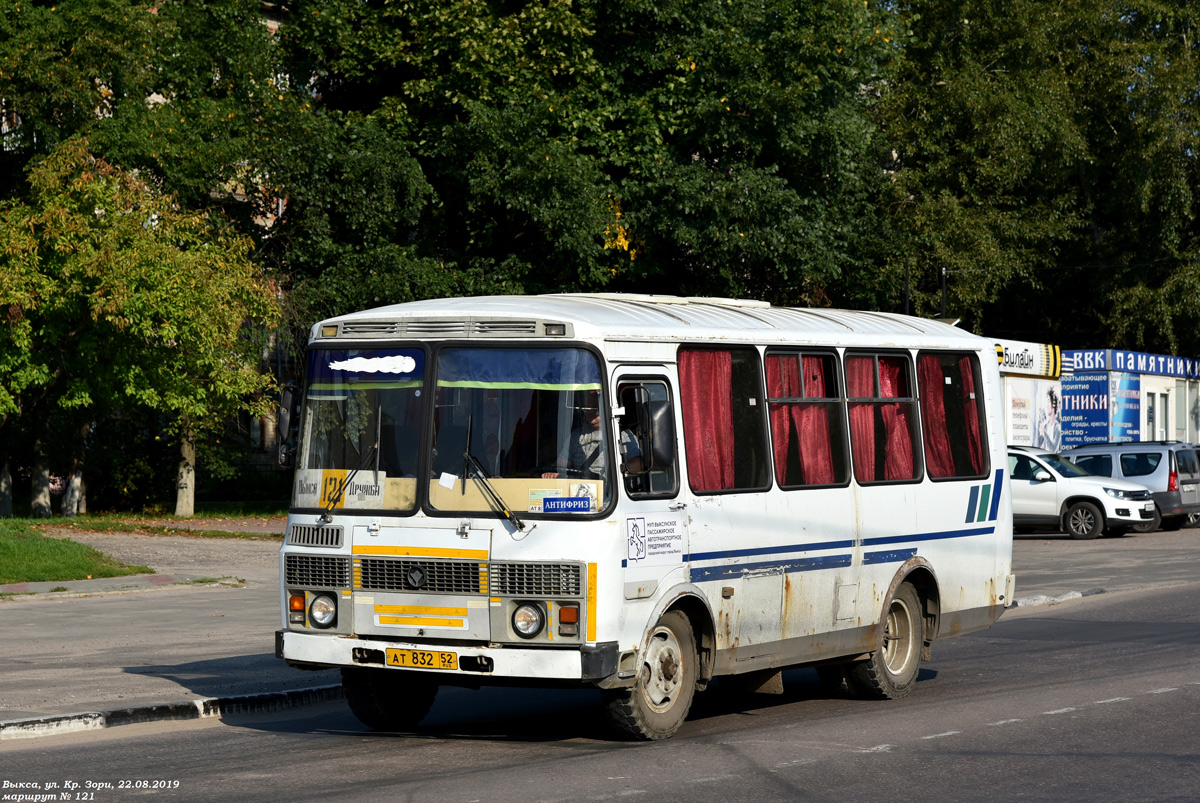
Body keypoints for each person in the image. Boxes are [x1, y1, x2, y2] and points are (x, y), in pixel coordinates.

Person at [542, 397, 643, 479]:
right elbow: (562, 463)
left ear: (605, 408)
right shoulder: (576, 435)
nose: (590, 412)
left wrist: (614, 474)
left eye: (595, 407)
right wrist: (551, 471)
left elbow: (639, 464)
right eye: (587, 408)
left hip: (611, 494)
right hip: (580, 491)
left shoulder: (622, 434)